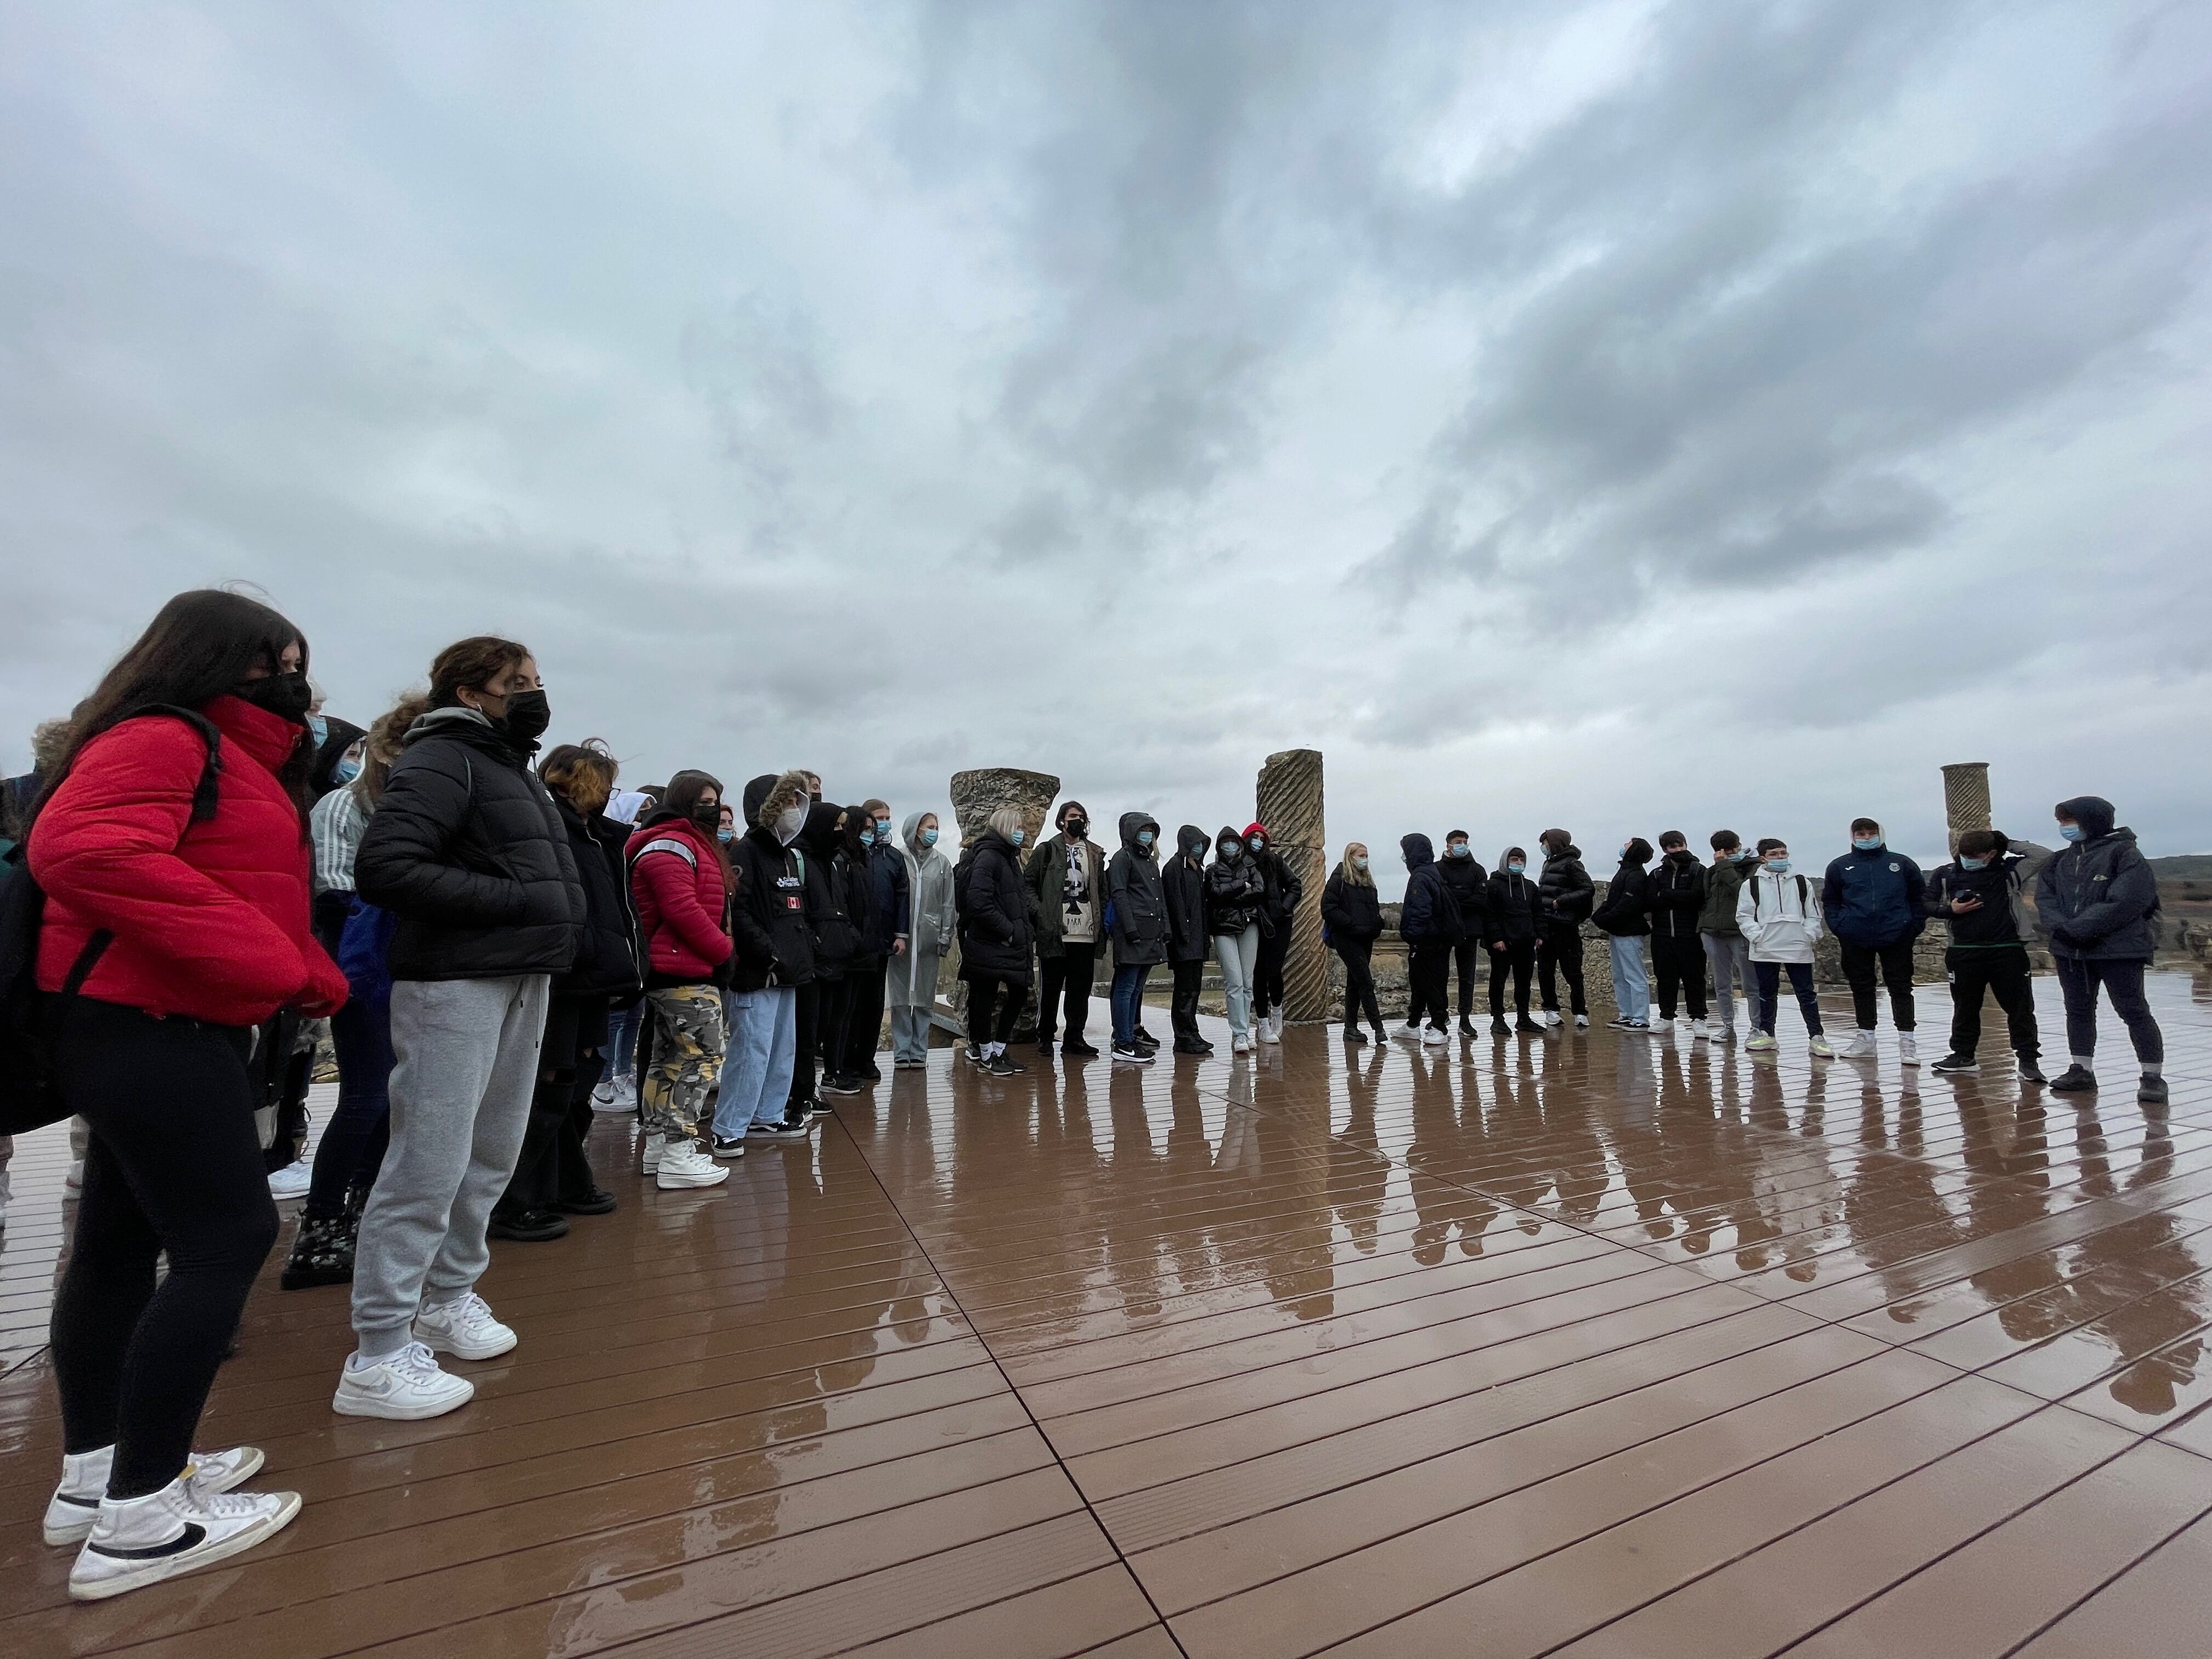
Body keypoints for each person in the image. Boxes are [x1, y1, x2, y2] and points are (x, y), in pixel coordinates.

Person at [29, 590, 345, 1598]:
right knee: (226, 1237)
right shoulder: (167, 736)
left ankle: (96, 1478)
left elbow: (220, 879)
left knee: (121, 1245)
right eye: (272, 661)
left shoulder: (227, 755)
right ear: (213, 654)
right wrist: (264, 956)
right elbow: (82, 849)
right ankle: (145, 1518)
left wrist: (303, 968)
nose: (290, 679)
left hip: (145, 1021)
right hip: (154, 1022)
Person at [340, 635, 584, 1421]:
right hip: (455, 982)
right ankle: (377, 1351)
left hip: (521, 975)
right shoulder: (446, 756)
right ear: (470, 691)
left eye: (538, 683)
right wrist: (516, 901)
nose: (535, 696)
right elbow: (387, 865)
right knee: (429, 1160)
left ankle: (446, 1298)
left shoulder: (506, 764)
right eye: (519, 683)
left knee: (489, 1153)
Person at [281, 693, 427, 1290]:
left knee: (393, 1101)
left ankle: (367, 1212)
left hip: (414, 970)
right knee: (366, 1096)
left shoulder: (425, 808)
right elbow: (336, 900)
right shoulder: (344, 808)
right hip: (364, 971)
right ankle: (320, 1226)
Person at [489, 741, 640, 1238]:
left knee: (579, 1076)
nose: (603, 795)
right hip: (562, 973)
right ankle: (513, 1199)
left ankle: (567, 1179)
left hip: (594, 971)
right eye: (600, 783)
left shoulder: (597, 837)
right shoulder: (551, 830)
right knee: (549, 1081)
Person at [628, 771, 746, 1172]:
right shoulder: (671, 845)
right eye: (706, 802)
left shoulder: (687, 843)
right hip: (682, 970)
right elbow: (681, 909)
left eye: (716, 801)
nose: (713, 810)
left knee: (668, 1058)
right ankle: (679, 1151)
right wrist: (724, 949)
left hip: (681, 969)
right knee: (705, 1055)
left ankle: (660, 1147)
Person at [2037, 796, 2165, 1103]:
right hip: (2070, 951)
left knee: (2133, 1010)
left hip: (2119, 950)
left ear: (2092, 820)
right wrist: (2065, 930)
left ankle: (2152, 1076)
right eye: (2061, 822)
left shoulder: (2125, 854)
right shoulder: (2058, 860)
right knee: (2078, 1011)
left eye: (2069, 821)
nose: (2064, 827)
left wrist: (2081, 929)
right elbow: (2045, 899)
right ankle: (2081, 1069)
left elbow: (2128, 901)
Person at [715, 771, 816, 1147]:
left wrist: (802, 954)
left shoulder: (787, 855)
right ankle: (728, 1129)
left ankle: (767, 1114)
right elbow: (737, 914)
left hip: (789, 971)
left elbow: (793, 913)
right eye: (787, 802)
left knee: (781, 1049)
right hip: (758, 973)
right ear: (768, 806)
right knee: (751, 1051)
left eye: (797, 802)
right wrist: (771, 954)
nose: (794, 809)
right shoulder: (745, 853)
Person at [1927, 828, 2053, 1082]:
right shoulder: (1945, 875)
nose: (1968, 859)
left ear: (1991, 854)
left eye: (1975, 855)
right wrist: (1949, 909)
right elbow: (1925, 904)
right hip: (1963, 951)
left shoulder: (2009, 872)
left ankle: (2028, 1061)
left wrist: (2008, 843)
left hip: (2007, 950)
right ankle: (1963, 1056)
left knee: (2020, 1008)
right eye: (1964, 855)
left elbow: (2044, 855)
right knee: (1965, 1007)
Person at [1822, 817, 1926, 1063]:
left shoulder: (1901, 864)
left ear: (1881, 834)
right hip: (1855, 935)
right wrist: (1840, 926)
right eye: (1861, 834)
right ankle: (1866, 1037)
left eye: (1871, 833)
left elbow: (1919, 897)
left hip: (1897, 935)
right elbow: (1831, 901)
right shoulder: (1839, 866)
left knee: (1900, 987)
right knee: (1861, 987)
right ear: (1853, 836)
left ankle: (1907, 1041)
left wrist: (1913, 926)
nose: (1867, 838)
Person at [785, 801, 855, 1119]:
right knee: (805, 1033)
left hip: (833, 959)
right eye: (836, 826)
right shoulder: (800, 860)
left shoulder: (832, 862)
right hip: (811, 960)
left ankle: (805, 1090)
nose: (840, 832)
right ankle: (797, 1094)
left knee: (822, 1028)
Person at [1737, 838, 1834, 1057]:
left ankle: (1816, 1036)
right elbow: (1744, 916)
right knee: (1766, 993)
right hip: (1765, 948)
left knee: (1807, 993)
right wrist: (1758, 937)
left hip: (1797, 947)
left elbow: (1812, 914)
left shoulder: (1802, 882)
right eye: (1774, 854)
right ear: (1763, 858)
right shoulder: (1751, 885)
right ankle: (1767, 1034)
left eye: (1783, 853)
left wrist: (1807, 936)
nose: (1780, 858)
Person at [1025, 800, 1107, 1058]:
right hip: (1055, 933)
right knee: (1050, 989)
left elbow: (1101, 891)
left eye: (1082, 816)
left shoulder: (1095, 854)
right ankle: (1046, 1038)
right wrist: (1042, 914)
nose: (1078, 820)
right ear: (1062, 820)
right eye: (1073, 816)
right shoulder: (1047, 850)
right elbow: (1028, 886)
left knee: (1079, 991)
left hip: (1086, 932)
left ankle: (1074, 1037)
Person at [957, 806, 1033, 1075]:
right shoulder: (989, 856)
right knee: (985, 996)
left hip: (1009, 942)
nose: (1021, 832)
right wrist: (1008, 931)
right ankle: (986, 1053)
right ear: (1005, 828)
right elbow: (979, 901)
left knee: (1018, 992)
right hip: (992, 941)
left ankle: (999, 1050)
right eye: (1018, 827)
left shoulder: (1009, 858)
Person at [816, 805, 878, 1098]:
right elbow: (841, 905)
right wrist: (854, 938)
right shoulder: (841, 862)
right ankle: (833, 1070)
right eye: (863, 829)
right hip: (847, 948)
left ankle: (841, 1067)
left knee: (850, 1010)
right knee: (839, 1013)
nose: (869, 835)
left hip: (859, 947)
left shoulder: (860, 860)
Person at [887, 810, 953, 1068]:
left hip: (929, 938)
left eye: (936, 826)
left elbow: (949, 903)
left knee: (925, 999)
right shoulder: (898, 859)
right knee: (901, 997)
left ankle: (920, 1052)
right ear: (915, 829)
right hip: (902, 939)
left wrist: (945, 935)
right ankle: (902, 1052)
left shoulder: (942, 863)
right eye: (929, 827)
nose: (933, 831)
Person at [850, 798, 909, 1082]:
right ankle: (847, 1060)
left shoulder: (893, 857)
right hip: (856, 942)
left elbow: (902, 895)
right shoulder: (852, 853)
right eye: (878, 818)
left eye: (887, 817)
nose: (884, 823)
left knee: (874, 1004)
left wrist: (901, 934)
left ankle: (867, 1059)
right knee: (853, 1004)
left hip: (883, 941)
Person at [1106, 813, 1167, 1062]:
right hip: (1133, 932)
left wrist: (1165, 928)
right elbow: (1119, 894)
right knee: (1126, 987)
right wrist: (1130, 929)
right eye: (1143, 829)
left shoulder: (1151, 862)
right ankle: (1122, 1042)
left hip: (1152, 932)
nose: (1148, 834)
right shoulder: (1123, 858)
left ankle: (1129, 1036)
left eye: (1151, 830)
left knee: (1136, 988)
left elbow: (1158, 896)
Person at [1205, 825, 1269, 1053]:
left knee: (1247, 983)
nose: (1230, 847)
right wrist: (1242, 886)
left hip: (1248, 925)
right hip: (1223, 928)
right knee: (1234, 982)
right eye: (1226, 843)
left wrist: (1231, 892)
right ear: (1220, 847)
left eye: (1234, 842)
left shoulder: (1251, 866)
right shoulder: (1212, 870)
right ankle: (1239, 1034)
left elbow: (1260, 891)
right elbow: (1215, 895)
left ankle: (1245, 1031)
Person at [1398, 832, 1459, 1046]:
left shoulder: (1421, 877)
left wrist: (1412, 937)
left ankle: (1438, 1025)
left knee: (1430, 983)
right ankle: (1413, 1023)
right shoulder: (1432, 873)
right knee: (1424, 982)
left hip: (1427, 940)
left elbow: (1420, 911)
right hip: (1438, 939)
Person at [1246, 822, 1305, 1045]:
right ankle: (1262, 1022)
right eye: (1254, 837)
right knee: (1258, 974)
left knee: (1274, 971)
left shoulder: (1276, 861)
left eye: (1262, 838)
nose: (1257, 842)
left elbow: (1295, 886)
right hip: (1254, 923)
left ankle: (1277, 1012)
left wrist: (1283, 908)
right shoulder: (1242, 865)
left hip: (1279, 922)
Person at [1323, 842, 1386, 1043]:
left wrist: (1377, 924)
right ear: (1350, 857)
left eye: (1366, 855)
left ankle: (1350, 1027)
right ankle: (1378, 1028)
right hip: (1346, 937)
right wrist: (1349, 924)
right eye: (1361, 855)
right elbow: (1328, 908)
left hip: (1365, 938)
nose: (1364, 859)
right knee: (1365, 981)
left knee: (1355, 982)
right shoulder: (1338, 880)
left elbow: (1374, 909)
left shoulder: (1369, 882)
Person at [1699, 832, 1758, 1042]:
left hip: (1740, 932)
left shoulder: (1754, 867)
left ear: (1739, 846)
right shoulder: (1711, 871)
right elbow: (1706, 898)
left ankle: (1757, 1028)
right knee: (1722, 983)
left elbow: (1742, 891)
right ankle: (1727, 1025)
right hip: (1713, 932)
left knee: (1751, 983)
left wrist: (1725, 866)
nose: (1729, 854)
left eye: (1732, 849)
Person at [1647, 831, 1709, 1031]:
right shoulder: (1657, 873)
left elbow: (1697, 897)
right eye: (1672, 847)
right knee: (1665, 978)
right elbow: (1651, 900)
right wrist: (1678, 897)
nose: (1677, 850)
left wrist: (1668, 895)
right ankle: (1666, 1018)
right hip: (1662, 934)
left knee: (1695, 977)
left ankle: (1698, 1018)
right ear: (1665, 849)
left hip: (1690, 934)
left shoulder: (1698, 870)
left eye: (1680, 845)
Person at [1162, 825, 1215, 1055]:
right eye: (1195, 843)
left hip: (1197, 939)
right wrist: (1183, 935)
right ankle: (1182, 1037)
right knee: (1184, 990)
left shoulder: (1197, 870)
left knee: (1194, 989)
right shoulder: (1174, 868)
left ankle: (1193, 1033)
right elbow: (1175, 905)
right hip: (1184, 941)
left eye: (1202, 844)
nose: (1199, 847)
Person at [1593, 837, 1655, 1031]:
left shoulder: (1636, 874)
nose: (1624, 845)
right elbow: (1614, 899)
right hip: (1618, 931)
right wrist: (1602, 915)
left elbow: (1628, 905)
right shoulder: (1626, 871)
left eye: (1629, 843)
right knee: (1620, 976)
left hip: (1630, 932)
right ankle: (1626, 1014)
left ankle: (1640, 1017)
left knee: (1635, 975)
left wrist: (1606, 918)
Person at [1535, 830, 1593, 1028]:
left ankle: (1579, 1011)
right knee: (1545, 970)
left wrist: (1562, 901)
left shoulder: (1572, 864)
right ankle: (1551, 1010)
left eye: (1546, 843)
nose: (1543, 847)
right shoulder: (1548, 863)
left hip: (1566, 926)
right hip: (1546, 925)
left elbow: (1587, 889)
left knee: (1573, 972)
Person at [1483, 847, 1543, 1032]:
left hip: (1526, 941)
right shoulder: (1492, 885)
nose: (1518, 863)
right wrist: (1496, 938)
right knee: (1498, 981)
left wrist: (1540, 934)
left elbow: (1538, 913)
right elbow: (1489, 914)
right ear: (1505, 861)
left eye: (1521, 860)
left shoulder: (1531, 887)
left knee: (1524, 983)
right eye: (1514, 859)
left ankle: (1523, 1018)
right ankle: (1498, 1019)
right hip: (1503, 943)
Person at [1437, 830, 1489, 1035]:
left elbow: (1481, 900)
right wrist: (1463, 900)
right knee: (1440, 975)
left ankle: (1465, 1019)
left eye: (1465, 842)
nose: (1463, 845)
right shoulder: (1437, 869)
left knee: (1467, 976)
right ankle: (1441, 1016)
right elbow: (1440, 899)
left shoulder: (1477, 870)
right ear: (1448, 844)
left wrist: (1454, 901)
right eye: (1458, 842)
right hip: (1443, 930)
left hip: (1470, 930)